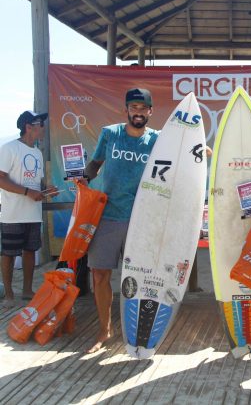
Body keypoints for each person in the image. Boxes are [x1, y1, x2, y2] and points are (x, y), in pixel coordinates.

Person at [82, 88, 158, 353]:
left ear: (150, 111)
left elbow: (184, 154)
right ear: (126, 110)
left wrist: (200, 150)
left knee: (141, 278)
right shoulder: (110, 134)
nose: (138, 112)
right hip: (108, 216)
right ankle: (104, 330)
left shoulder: (158, 140)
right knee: (100, 274)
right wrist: (84, 178)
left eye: (143, 108)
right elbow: (96, 163)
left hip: (142, 219)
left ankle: (139, 328)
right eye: (133, 107)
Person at [0, 111, 58, 307]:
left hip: (33, 212)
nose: (43, 127)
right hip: (12, 213)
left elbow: (37, 184)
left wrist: (47, 191)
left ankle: (26, 290)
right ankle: (8, 294)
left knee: (30, 250)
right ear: (28, 126)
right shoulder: (9, 148)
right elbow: (1, 179)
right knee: (8, 253)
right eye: (40, 124)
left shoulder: (37, 153)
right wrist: (27, 192)